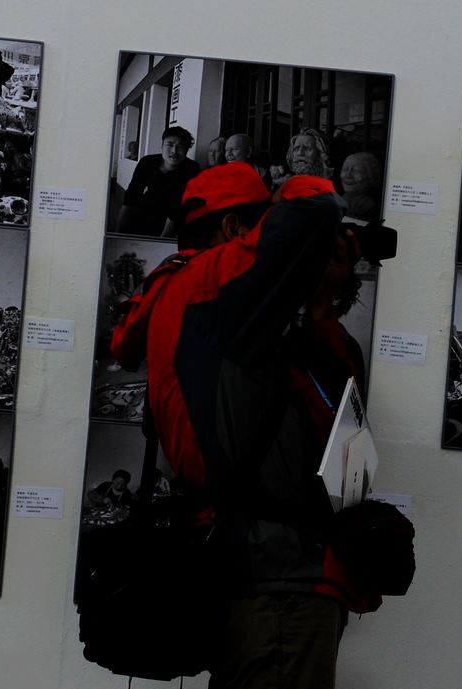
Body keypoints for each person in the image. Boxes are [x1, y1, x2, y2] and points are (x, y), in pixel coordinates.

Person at [110, 162, 377, 688]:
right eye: (260, 229)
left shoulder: (174, 299)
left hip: (239, 567)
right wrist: (295, 201)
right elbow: (352, 469)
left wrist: (317, 306)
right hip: (279, 578)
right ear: (234, 232)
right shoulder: (215, 298)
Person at [117, 126, 200, 236]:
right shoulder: (147, 162)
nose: (174, 151)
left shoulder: (192, 169)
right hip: (144, 212)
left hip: (172, 223)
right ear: (162, 145)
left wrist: (161, 241)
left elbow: (176, 211)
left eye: (180, 147)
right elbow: (131, 197)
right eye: (170, 145)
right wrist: (117, 233)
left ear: (186, 150)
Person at [340, 151, 382, 219]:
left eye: (356, 170)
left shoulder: (368, 206)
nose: (348, 176)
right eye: (345, 169)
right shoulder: (342, 199)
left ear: (370, 176)